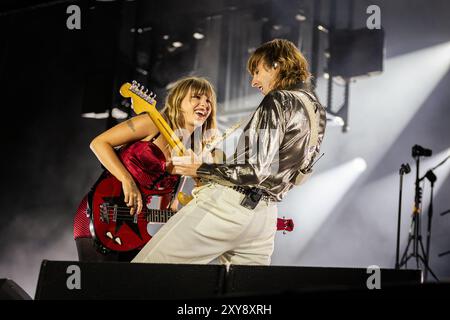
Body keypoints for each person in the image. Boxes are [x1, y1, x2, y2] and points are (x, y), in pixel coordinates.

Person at [131, 39, 327, 266]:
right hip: (264, 217)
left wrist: (201, 168)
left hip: (230, 206)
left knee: (145, 272)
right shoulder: (316, 110)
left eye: (257, 71)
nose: (254, 81)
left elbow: (255, 171)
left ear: (277, 65)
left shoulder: (277, 99)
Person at [73, 76, 217, 262]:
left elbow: (168, 206)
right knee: (92, 285)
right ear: (178, 100)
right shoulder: (152, 123)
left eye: (209, 101)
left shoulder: (191, 152)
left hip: (134, 225)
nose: (204, 104)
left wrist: (178, 214)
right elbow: (99, 143)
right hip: (100, 210)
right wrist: (127, 180)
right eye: (197, 97)